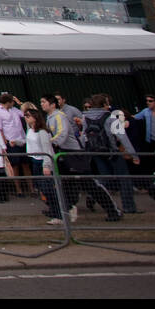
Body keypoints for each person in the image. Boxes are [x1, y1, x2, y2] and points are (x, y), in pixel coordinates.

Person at [42, 94, 118, 222]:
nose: (42, 104)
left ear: (52, 104)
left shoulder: (59, 116)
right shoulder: (49, 117)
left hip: (73, 154)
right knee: (65, 185)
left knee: (89, 184)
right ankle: (63, 213)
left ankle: (112, 210)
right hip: (62, 154)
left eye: (44, 102)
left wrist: (49, 142)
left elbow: (62, 134)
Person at [83, 93, 138, 215]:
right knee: (124, 178)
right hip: (111, 150)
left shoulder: (85, 117)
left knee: (104, 177)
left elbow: (84, 136)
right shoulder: (111, 118)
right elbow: (123, 137)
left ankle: (93, 196)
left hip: (95, 151)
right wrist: (133, 155)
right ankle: (129, 206)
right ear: (104, 105)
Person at [24, 107, 62, 224]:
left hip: (43, 161)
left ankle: (59, 214)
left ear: (35, 118)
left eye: (28, 116)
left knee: (49, 188)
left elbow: (47, 149)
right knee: (42, 187)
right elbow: (28, 141)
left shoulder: (42, 132)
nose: (26, 118)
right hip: (34, 160)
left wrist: (46, 165)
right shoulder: (30, 130)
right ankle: (52, 209)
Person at [0, 92, 29, 198]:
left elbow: (26, 114)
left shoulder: (14, 110)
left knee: (26, 165)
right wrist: (5, 142)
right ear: (9, 102)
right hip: (11, 142)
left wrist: (21, 104)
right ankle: (19, 190)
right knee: (15, 166)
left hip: (22, 140)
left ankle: (31, 188)